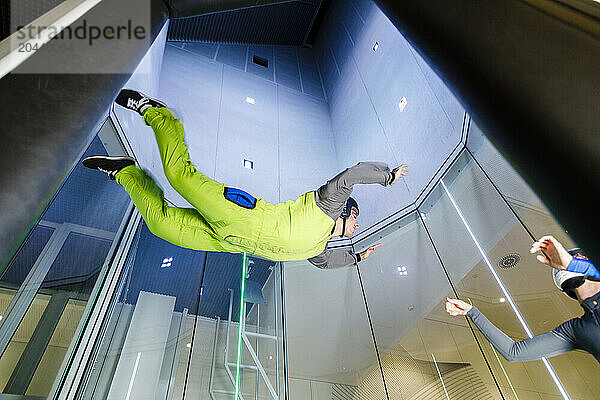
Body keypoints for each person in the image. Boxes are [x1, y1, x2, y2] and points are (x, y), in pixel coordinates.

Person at [83, 89, 408, 268]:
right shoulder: (328, 204)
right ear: (347, 210)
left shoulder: (317, 251)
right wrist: (386, 176)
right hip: (241, 214)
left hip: (227, 242)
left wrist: (357, 257)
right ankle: (157, 113)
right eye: (357, 219)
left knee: (160, 225)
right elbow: (351, 175)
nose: (357, 227)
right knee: (179, 177)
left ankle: (125, 171)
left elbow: (329, 264)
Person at [445, 235, 600, 363]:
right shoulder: (576, 329)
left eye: (580, 258)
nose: (569, 262)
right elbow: (513, 352)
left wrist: (573, 265)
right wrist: (472, 312)